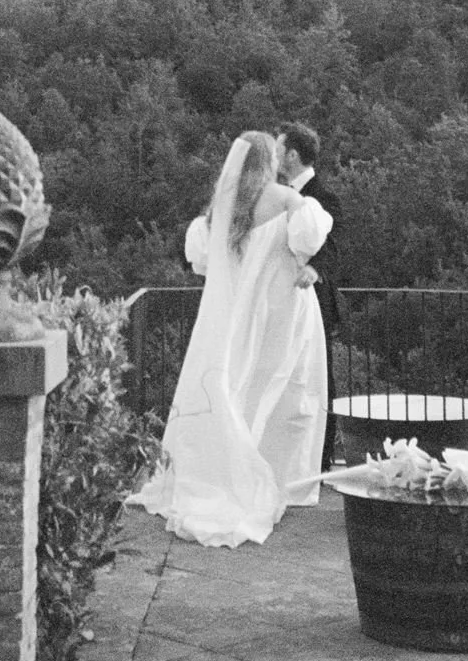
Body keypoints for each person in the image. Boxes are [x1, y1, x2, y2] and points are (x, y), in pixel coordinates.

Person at [126, 130, 333, 547]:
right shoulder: (288, 200)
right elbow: (307, 242)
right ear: (269, 161)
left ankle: (215, 471)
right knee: (283, 389)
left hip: (229, 314)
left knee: (229, 386)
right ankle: (280, 477)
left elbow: (202, 263)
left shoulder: (220, 208)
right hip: (278, 310)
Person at [276, 123, 344, 469]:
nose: (274, 155)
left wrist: (315, 269)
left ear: (292, 155)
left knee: (319, 379)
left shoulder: (324, 195)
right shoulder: (277, 193)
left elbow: (335, 243)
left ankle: (321, 456)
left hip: (314, 299)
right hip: (280, 299)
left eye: (279, 148)